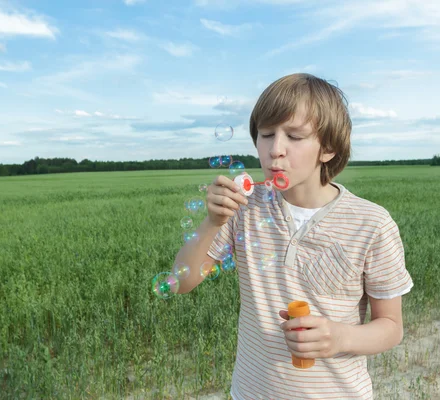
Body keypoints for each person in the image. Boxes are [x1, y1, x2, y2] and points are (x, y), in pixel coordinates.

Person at [173, 73, 413, 399]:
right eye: (266, 134)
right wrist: (212, 221)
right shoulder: (244, 208)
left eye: (295, 137)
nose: (275, 150)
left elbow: (391, 327)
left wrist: (339, 337)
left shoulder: (371, 224)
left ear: (327, 148)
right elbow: (181, 280)